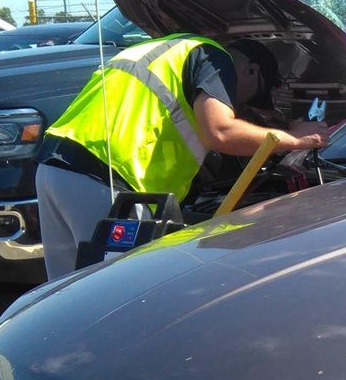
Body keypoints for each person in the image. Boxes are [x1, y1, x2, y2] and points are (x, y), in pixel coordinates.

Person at [35, 35, 329, 279]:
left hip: (54, 168)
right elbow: (221, 132)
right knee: (119, 295)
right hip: (104, 177)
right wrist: (295, 140)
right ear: (251, 71)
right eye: (250, 97)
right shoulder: (214, 59)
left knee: (63, 296)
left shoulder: (160, 50)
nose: (238, 105)